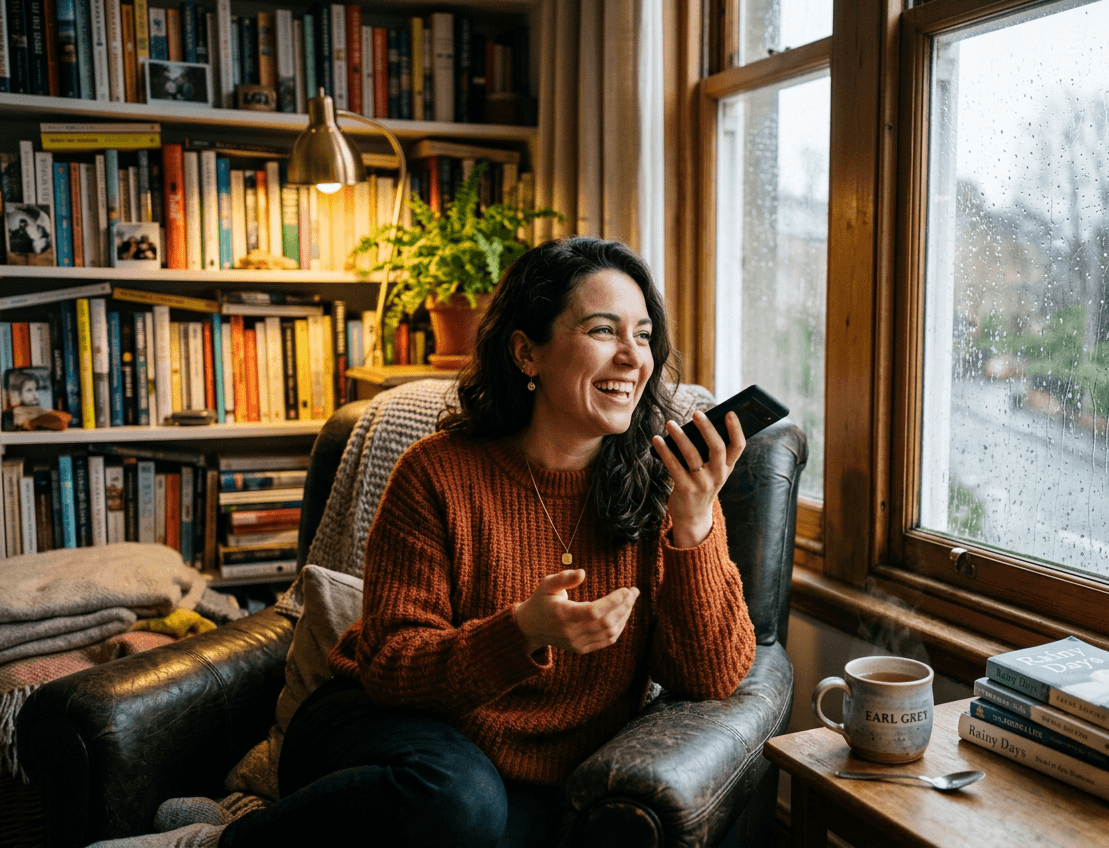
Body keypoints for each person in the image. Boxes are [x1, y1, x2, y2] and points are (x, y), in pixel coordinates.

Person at [91, 236, 756, 848]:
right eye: (601, 330)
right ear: (528, 353)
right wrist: (522, 630)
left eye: (642, 335)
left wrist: (694, 525)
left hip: (527, 779)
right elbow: (392, 666)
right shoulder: (439, 472)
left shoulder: (669, 490)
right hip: (380, 725)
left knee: (488, 820)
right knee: (459, 799)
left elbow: (714, 677)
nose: (632, 356)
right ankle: (212, 844)